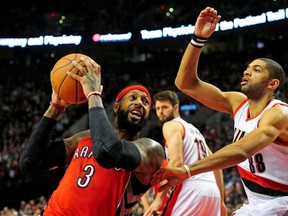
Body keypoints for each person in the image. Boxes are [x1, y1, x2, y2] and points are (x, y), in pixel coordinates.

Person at [150, 6, 288, 216]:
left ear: (272, 84)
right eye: (248, 68)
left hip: (282, 200)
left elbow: (241, 150)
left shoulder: (279, 114)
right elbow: (186, 84)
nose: (247, 71)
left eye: (257, 70)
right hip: (258, 203)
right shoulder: (238, 103)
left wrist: (186, 171)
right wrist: (197, 39)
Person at [19, 56, 165, 216]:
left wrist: (94, 94)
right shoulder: (85, 137)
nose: (139, 103)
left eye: (145, 102)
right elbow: (30, 162)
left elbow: (106, 152)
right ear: (115, 107)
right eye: (133, 98)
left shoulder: (150, 149)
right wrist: (56, 108)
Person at [144, 90, 226, 216]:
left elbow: (177, 163)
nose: (160, 112)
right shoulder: (194, 130)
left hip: (191, 188)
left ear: (176, 108)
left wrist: (159, 198)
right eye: (158, 108)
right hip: (212, 191)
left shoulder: (170, 125)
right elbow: (217, 166)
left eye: (165, 107)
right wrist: (221, 201)